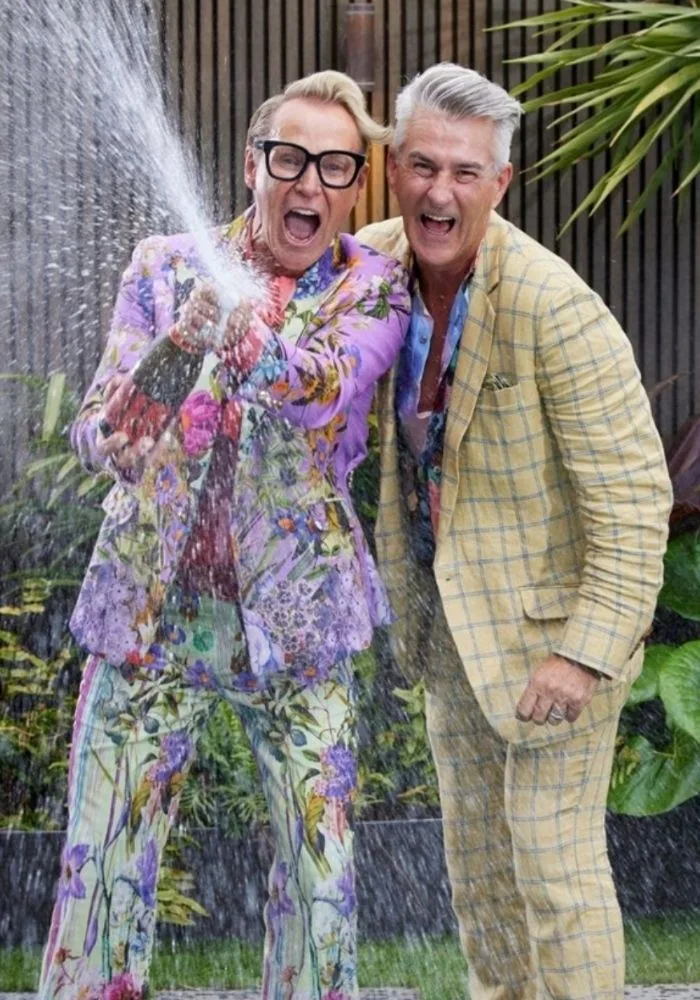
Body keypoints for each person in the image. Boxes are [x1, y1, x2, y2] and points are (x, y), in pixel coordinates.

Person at [40, 70, 410, 1000]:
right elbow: (105, 436)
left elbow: (327, 386)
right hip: (152, 615)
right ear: (253, 165)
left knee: (320, 882)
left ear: (355, 187)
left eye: (335, 166)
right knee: (101, 867)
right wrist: (177, 349)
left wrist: (248, 339)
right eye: (290, 159)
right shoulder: (165, 266)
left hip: (298, 623)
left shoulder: (375, 290)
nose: (310, 183)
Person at [358, 63, 672, 999]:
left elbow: (634, 504)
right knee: (481, 872)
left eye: (465, 172)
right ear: (394, 168)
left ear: (501, 181)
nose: (439, 192)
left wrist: (582, 656)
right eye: (423, 166)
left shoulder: (554, 307)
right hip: (453, 629)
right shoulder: (370, 267)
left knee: (552, 868)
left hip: (555, 635)